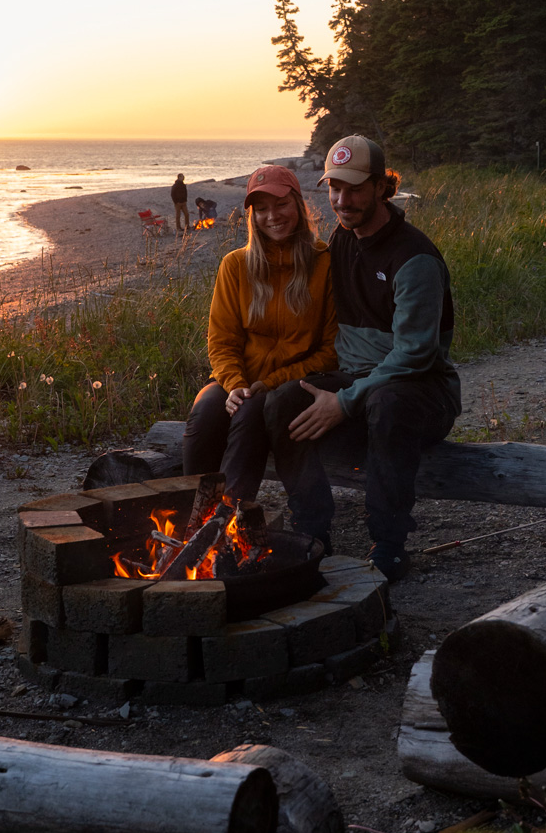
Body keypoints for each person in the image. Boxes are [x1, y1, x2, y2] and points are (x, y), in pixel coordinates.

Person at [265, 136, 460, 581]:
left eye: (354, 189)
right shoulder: (342, 239)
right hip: (355, 381)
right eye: (334, 188)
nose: (341, 200)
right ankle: (312, 532)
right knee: (281, 402)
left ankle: (389, 544)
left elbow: (414, 354)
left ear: (380, 187)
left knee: (386, 403)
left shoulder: (414, 258)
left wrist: (343, 402)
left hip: (422, 390)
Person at [181, 165, 336, 515]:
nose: (272, 216)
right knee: (205, 414)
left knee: (250, 414)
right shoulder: (235, 265)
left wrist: (270, 382)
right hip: (239, 379)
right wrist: (235, 383)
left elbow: (330, 351)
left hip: (293, 382)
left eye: (281, 204)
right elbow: (221, 340)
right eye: (261, 208)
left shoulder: (324, 262)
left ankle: (230, 520)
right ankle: (195, 518)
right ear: (252, 216)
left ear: (298, 205)